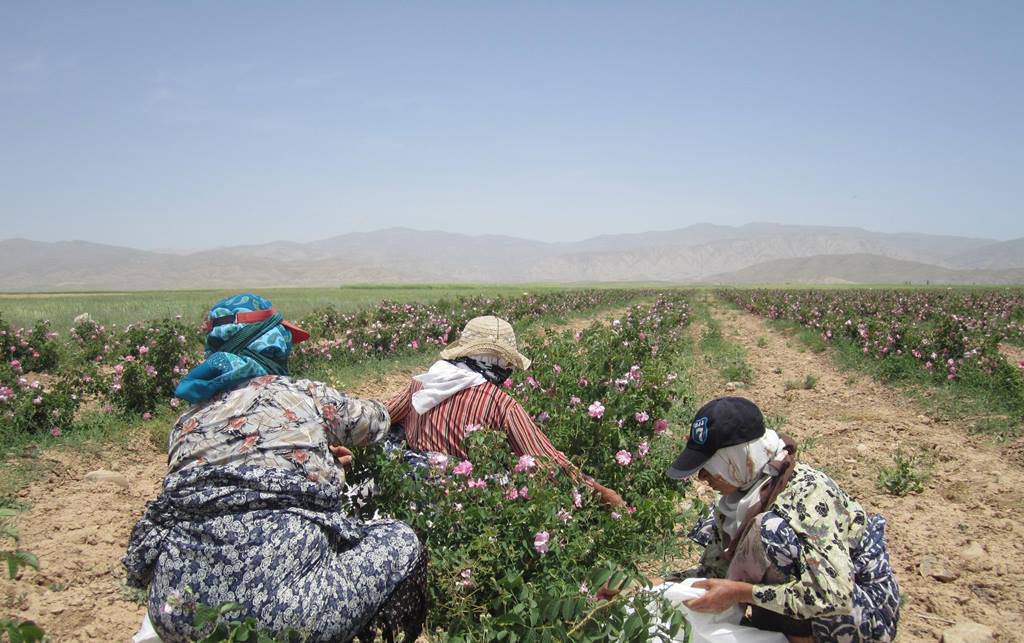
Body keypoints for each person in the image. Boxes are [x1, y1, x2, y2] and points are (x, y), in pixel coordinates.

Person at [123, 294, 426, 643]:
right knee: (401, 541)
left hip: (179, 611)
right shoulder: (305, 395)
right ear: (271, 345)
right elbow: (374, 424)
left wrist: (319, 457)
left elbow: (234, 476)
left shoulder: (186, 423)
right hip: (284, 618)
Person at [665, 397, 900, 643]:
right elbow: (713, 573)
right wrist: (653, 588)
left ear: (736, 457)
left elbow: (835, 596)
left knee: (770, 532)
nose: (702, 476)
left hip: (860, 615)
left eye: (709, 465)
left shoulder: (808, 493)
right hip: (814, 606)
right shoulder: (738, 499)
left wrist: (741, 594)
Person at [385, 315, 625, 507]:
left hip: (408, 496)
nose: (509, 368)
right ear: (499, 361)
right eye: (508, 362)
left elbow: (381, 418)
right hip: (458, 505)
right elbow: (548, 462)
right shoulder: (500, 404)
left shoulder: (423, 382)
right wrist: (602, 494)